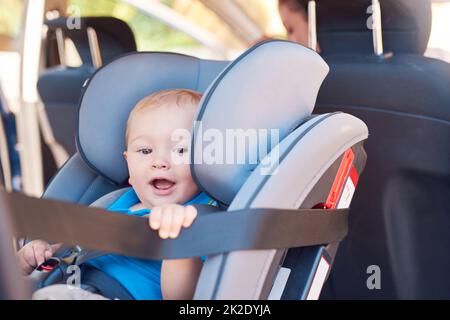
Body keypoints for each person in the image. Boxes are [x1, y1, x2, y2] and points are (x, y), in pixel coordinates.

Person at [17, 89, 217, 300]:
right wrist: (36, 253)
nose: (159, 161)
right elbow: (72, 249)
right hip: (76, 286)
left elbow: (181, 298)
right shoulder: (118, 202)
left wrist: (180, 241)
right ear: (128, 162)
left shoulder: (201, 218)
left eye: (180, 150)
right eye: (145, 151)